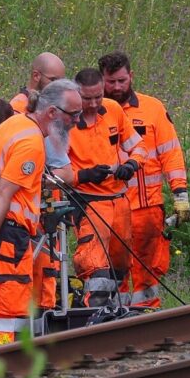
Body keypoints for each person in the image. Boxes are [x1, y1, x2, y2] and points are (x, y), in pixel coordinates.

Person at [0, 79, 82, 347]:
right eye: (73, 115)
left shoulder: (13, 125)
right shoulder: (31, 143)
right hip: (3, 236)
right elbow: (4, 192)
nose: (77, 121)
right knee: (9, 319)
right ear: (52, 112)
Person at [98, 52, 190, 308]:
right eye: (111, 82)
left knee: (147, 271)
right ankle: (112, 319)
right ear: (101, 80)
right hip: (109, 207)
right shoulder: (94, 112)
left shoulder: (153, 109)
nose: (117, 87)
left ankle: (146, 317)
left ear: (131, 76)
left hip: (147, 207)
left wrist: (180, 194)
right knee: (110, 270)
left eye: (121, 80)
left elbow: (171, 152)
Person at [66, 68, 146, 307]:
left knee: (120, 265)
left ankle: (117, 314)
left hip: (119, 200)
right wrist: (85, 175)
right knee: (94, 265)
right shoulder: (66, 120)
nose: (92, 104)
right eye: (86, 98)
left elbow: (139, 147)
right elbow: (56, 171)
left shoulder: (113, 110)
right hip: (89, 203)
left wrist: (131, 164)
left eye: (97, 97)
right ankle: (92, 314)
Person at [10, 52, 73, 310]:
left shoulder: (52, 114)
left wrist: (46, 181)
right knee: (18, 287)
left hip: (46, 215)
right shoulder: (17, 111)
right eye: (54, 80)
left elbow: (66, 172)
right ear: (36, 76)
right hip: (20, 216)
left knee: (44, 285)